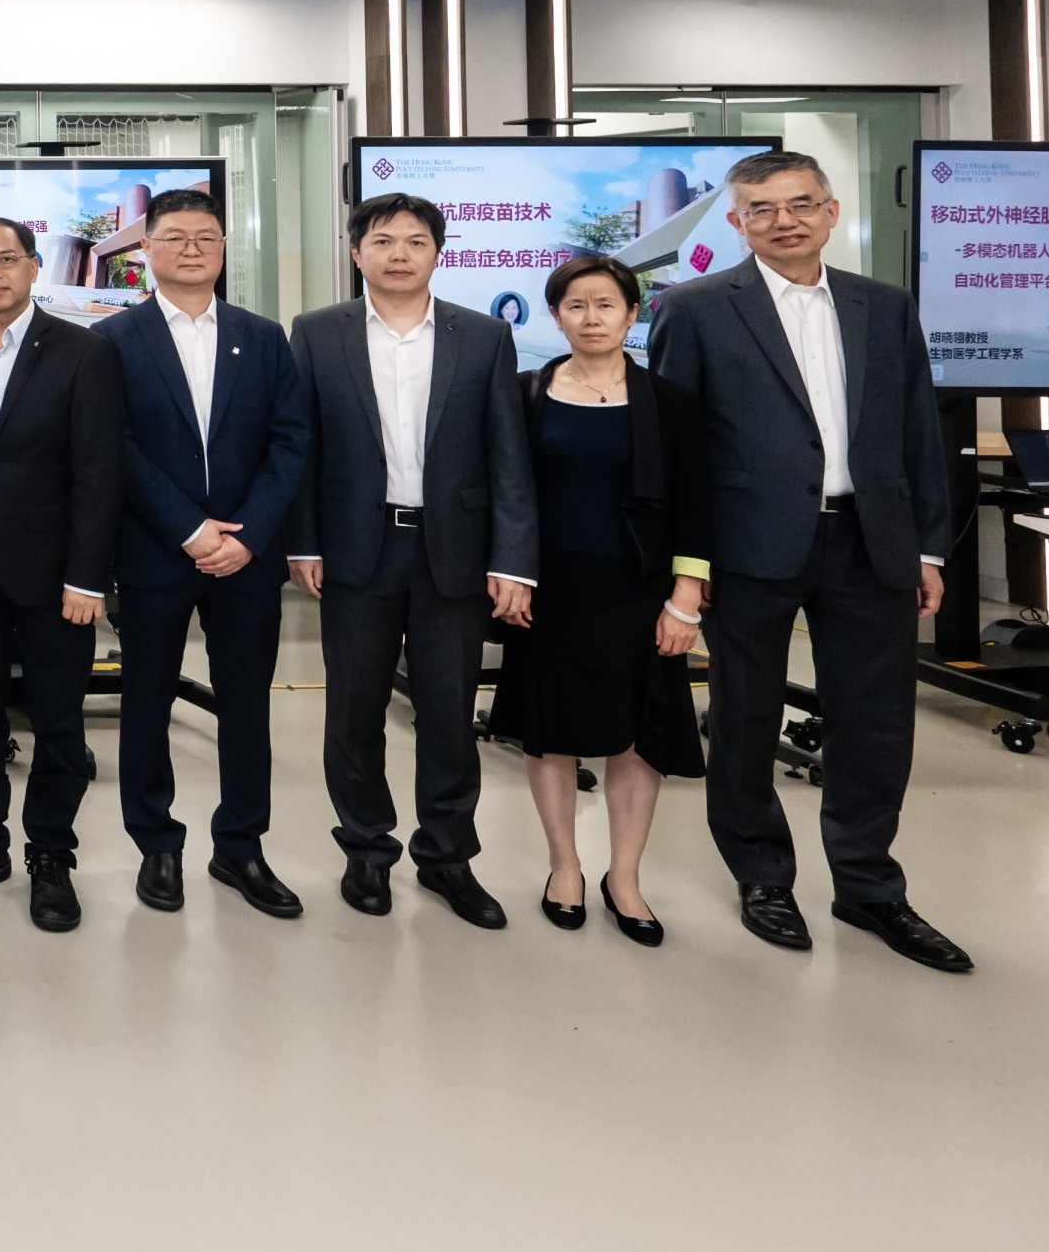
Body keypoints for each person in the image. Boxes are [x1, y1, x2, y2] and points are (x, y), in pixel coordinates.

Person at [648, 149, 969, 973]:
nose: (782, 219)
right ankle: (762, 876)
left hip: (871, 542)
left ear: (830, 211)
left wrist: (927, 544)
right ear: (735, 223)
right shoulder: (693, 309)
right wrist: (686, 568)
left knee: (876, 723)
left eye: (799, 203)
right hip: (746, 549)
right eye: (761, 208)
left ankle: (868, 885)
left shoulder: (883, 306)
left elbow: (912, 432)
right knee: (745, 719)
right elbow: (672, 452)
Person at [281, 194, 538, 930]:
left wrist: (513, 558)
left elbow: (507, 455)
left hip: (453, 551)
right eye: (382, 239)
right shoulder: (317, 332)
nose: (398, 252)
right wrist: (302, 541)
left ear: (437, 252)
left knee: (449, 712)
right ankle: (365, 847)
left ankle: (447, 854)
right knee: (353, 710)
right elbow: (302, 448)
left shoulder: (482, 335)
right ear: (356, 252)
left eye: (415, 241)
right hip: (356, 551)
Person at [98, 188, 312, 920]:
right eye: (176, 237)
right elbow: (114, 447)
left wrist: (246, 533)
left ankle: (241, 843)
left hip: (246, 559)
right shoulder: (112, 341)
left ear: (223, 249)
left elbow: (290, 441)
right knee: (146, 701)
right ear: (146, 251)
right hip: (156, 552)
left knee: (246, 706)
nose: (192, 248)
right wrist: (189, 528)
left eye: (206, 237)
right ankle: (155, 841)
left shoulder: (262, 335)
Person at [497, 256, 710, 947]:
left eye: (605, 305)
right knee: (548, 727)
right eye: (575, 305)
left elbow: (694, 508)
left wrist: (685, 599)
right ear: (554, 314)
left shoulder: (670, 402)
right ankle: (564, 866)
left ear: (631, 313)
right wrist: (508, 573)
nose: (590, 318)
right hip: (548, 589)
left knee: (638, 733)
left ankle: (624, 875)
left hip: (640, 590)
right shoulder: (525, 394)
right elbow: (504, 495)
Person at [0, 216, 124, 933]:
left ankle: (50, 854)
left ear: (34, 267)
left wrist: (87, 577)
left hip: (54, 576)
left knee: (57, 721)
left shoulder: (82, 352)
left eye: (6, 259)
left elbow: (99, 474)